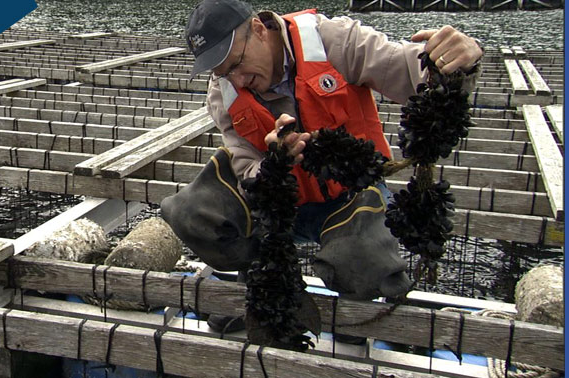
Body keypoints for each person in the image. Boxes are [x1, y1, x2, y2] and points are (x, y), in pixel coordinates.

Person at [161, 0, 483, 333]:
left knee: (364, 260)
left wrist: (459, 60)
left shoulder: (332, 38)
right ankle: (262, 286)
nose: (237, 80)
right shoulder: (223, 90)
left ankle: (357, 312)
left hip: (349, 199)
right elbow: (244, 162)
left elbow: (408, 69)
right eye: (224, 72)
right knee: (191, 212)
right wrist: (274, 165)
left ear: (259, 29)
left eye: (238, 63)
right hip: (281, 203)